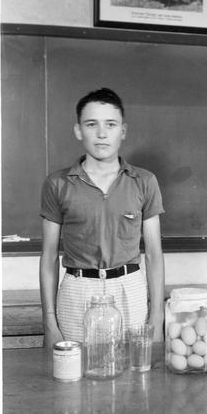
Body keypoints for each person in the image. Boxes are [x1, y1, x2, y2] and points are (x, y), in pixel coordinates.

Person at [40, 87, 165, 347]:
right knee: (74, 379)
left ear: (123, 130)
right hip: (77, 290)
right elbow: (49, 255)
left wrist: (157, 315)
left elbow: (153, 254)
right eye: (91, 124)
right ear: (78, 130)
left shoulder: (144, 181)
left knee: (135, 379)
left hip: (129, 288)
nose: (101, 133)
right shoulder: (57, 183)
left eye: (110, 124)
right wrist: (49, 321)